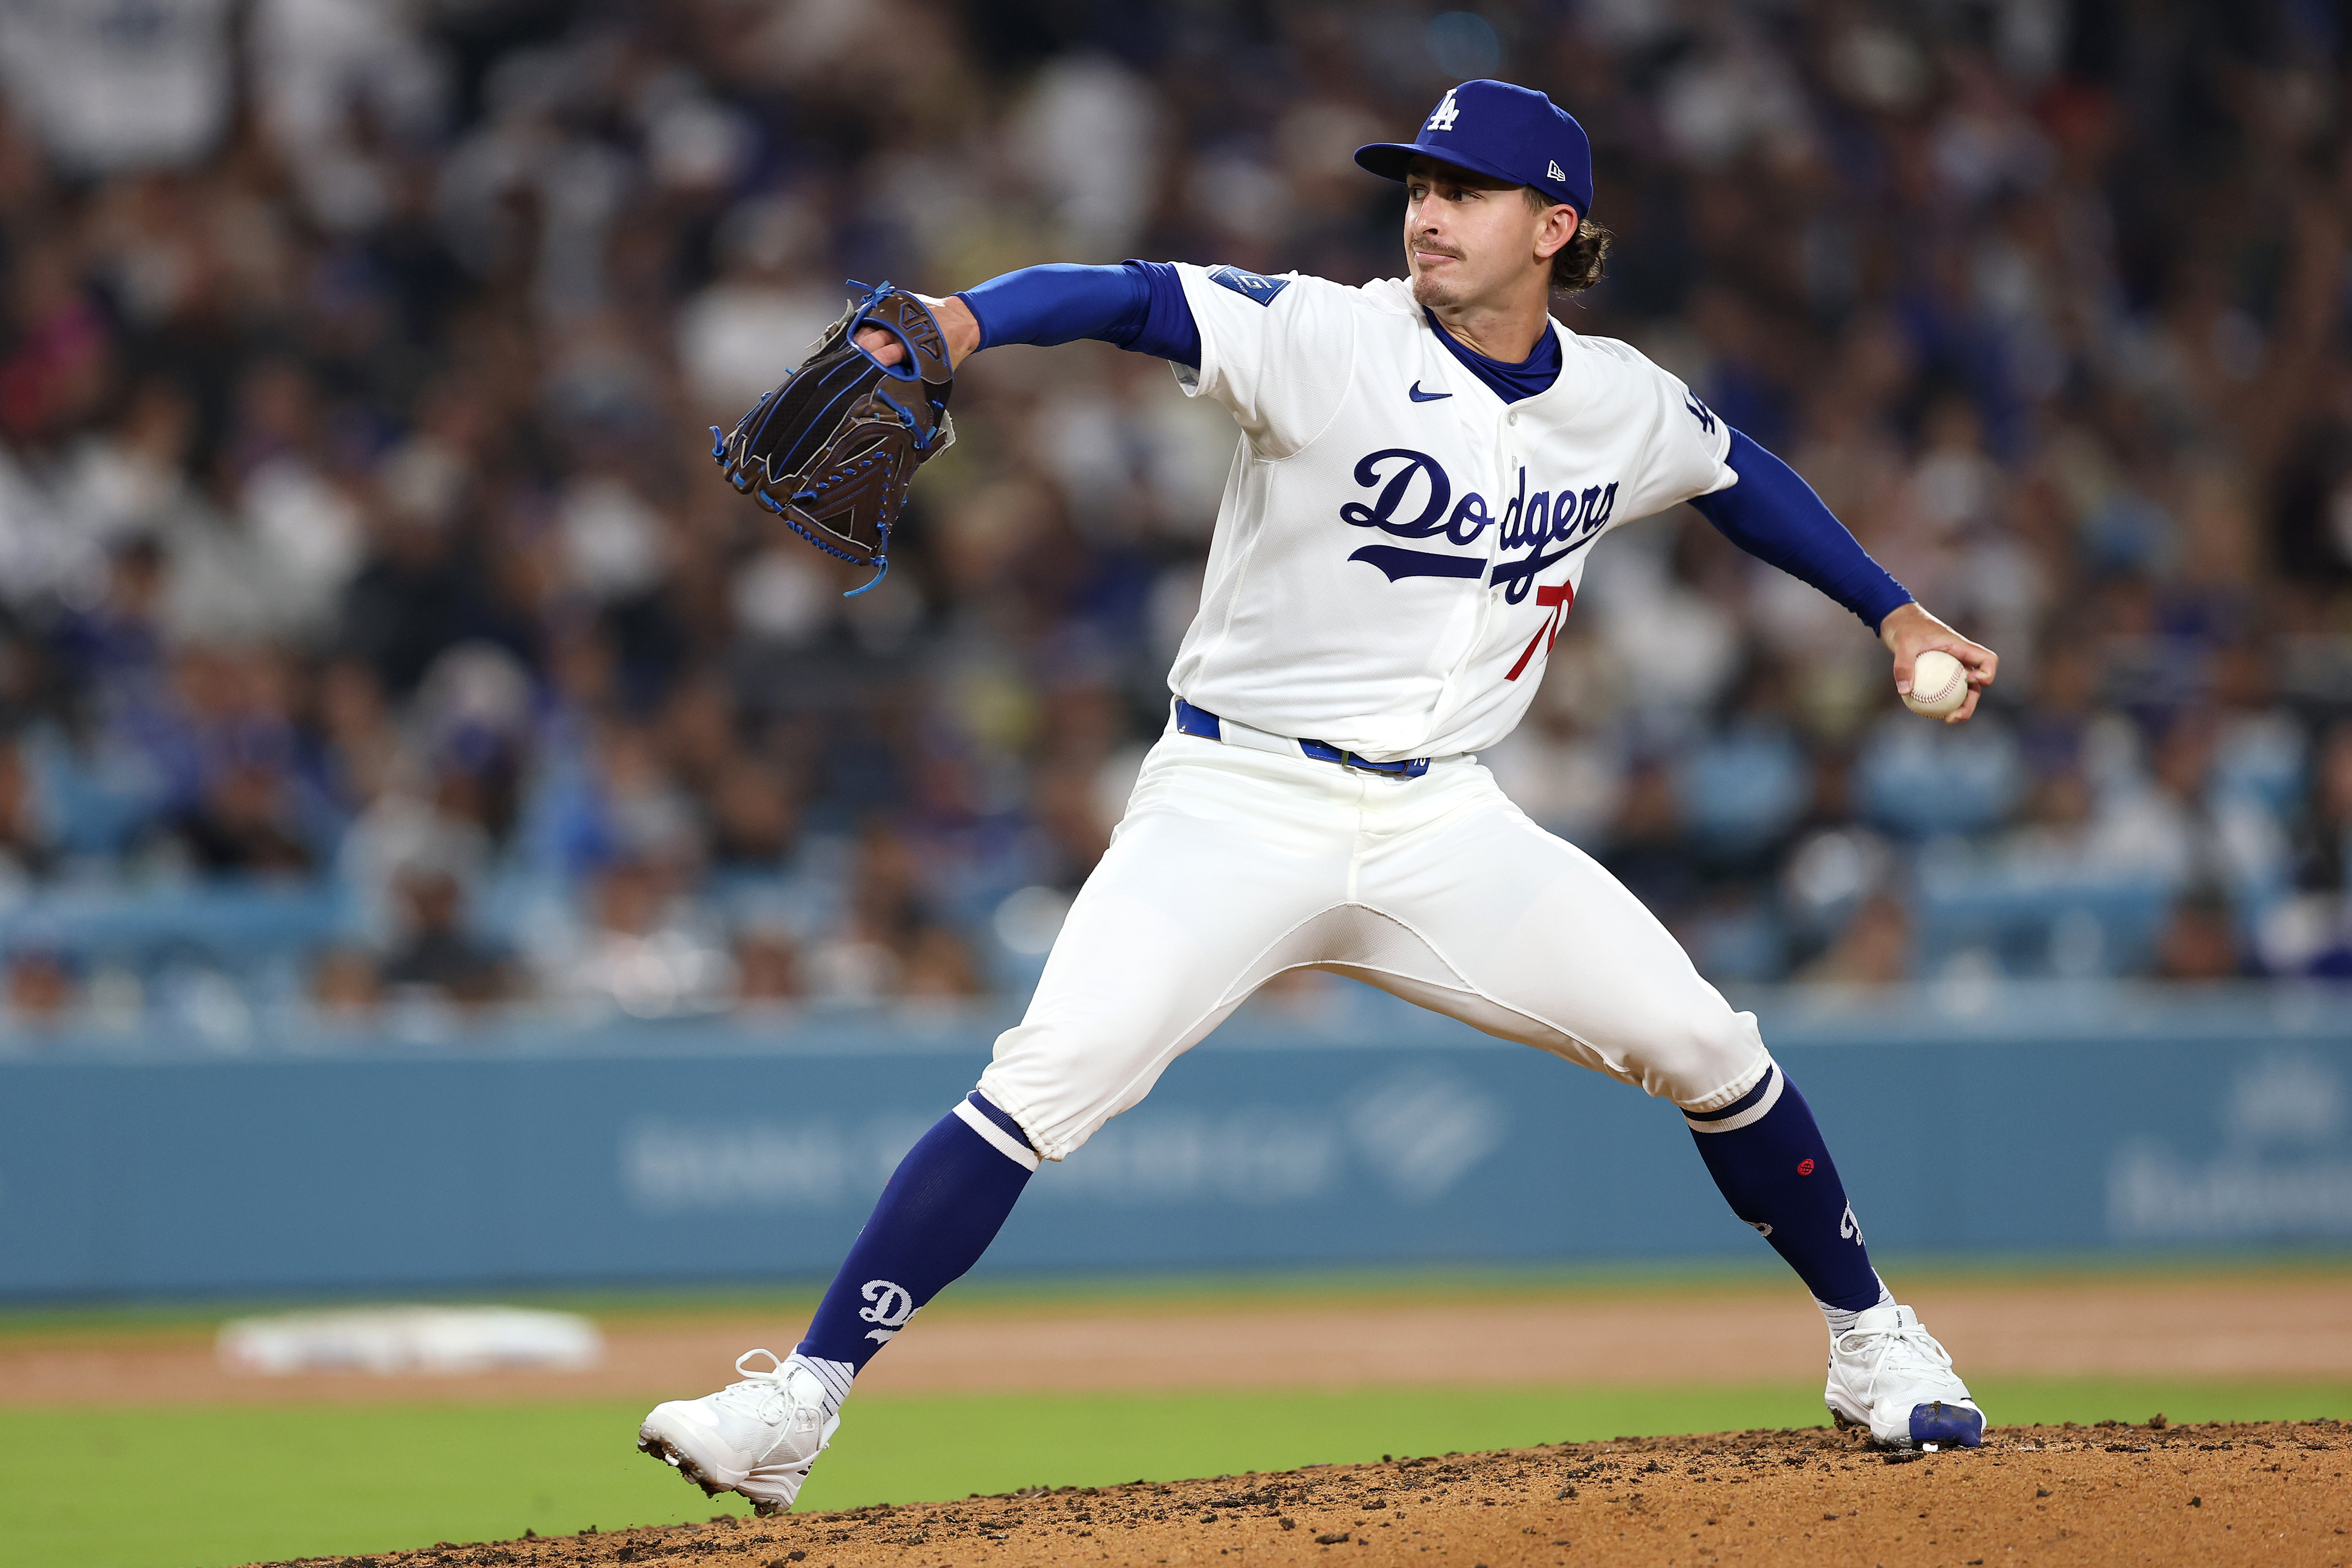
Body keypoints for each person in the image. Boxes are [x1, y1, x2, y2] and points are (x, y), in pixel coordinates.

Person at [638, 79, 1999, 1513]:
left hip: (1444, 823)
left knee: (1708, 1043)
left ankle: (1871, 1339)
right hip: (1236, 795)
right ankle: (800, 1398)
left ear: (1555, 226)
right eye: (1416, 184)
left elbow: (1740, 477)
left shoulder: (1617, 401)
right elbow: (1126, 295)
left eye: (1463, 190)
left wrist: (1895, 612)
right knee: (1040, 1080)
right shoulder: (1325, 335)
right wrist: (962, 320)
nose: (1425, 210)